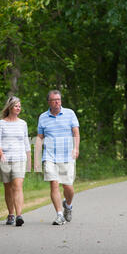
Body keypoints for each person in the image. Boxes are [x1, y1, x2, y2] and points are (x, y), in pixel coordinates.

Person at [35, 90, 80, 225]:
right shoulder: (43, 117)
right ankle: (59, 214)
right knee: (54, 184)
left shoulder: (70, 113)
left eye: (59, 100)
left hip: (67, 156)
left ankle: (68, 205)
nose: (57, 102)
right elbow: (39, 137)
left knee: (68, 187)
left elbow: (76, 133)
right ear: (49, 102)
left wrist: (76, 148)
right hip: (49, 156)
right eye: (54, 100)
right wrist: (36, 158)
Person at [0, 96, 31, 227]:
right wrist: (1, 154)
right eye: (16, 106)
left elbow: (26, 142)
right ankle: (11, 214)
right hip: (5, 159)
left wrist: (30, 160)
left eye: (20, 106)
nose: (18, 108)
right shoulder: (1, 123)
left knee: (17, 186)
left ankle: (19, 215)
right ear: (10, 107)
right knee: (8, 188)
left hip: (20, 158)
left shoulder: (23, 124)